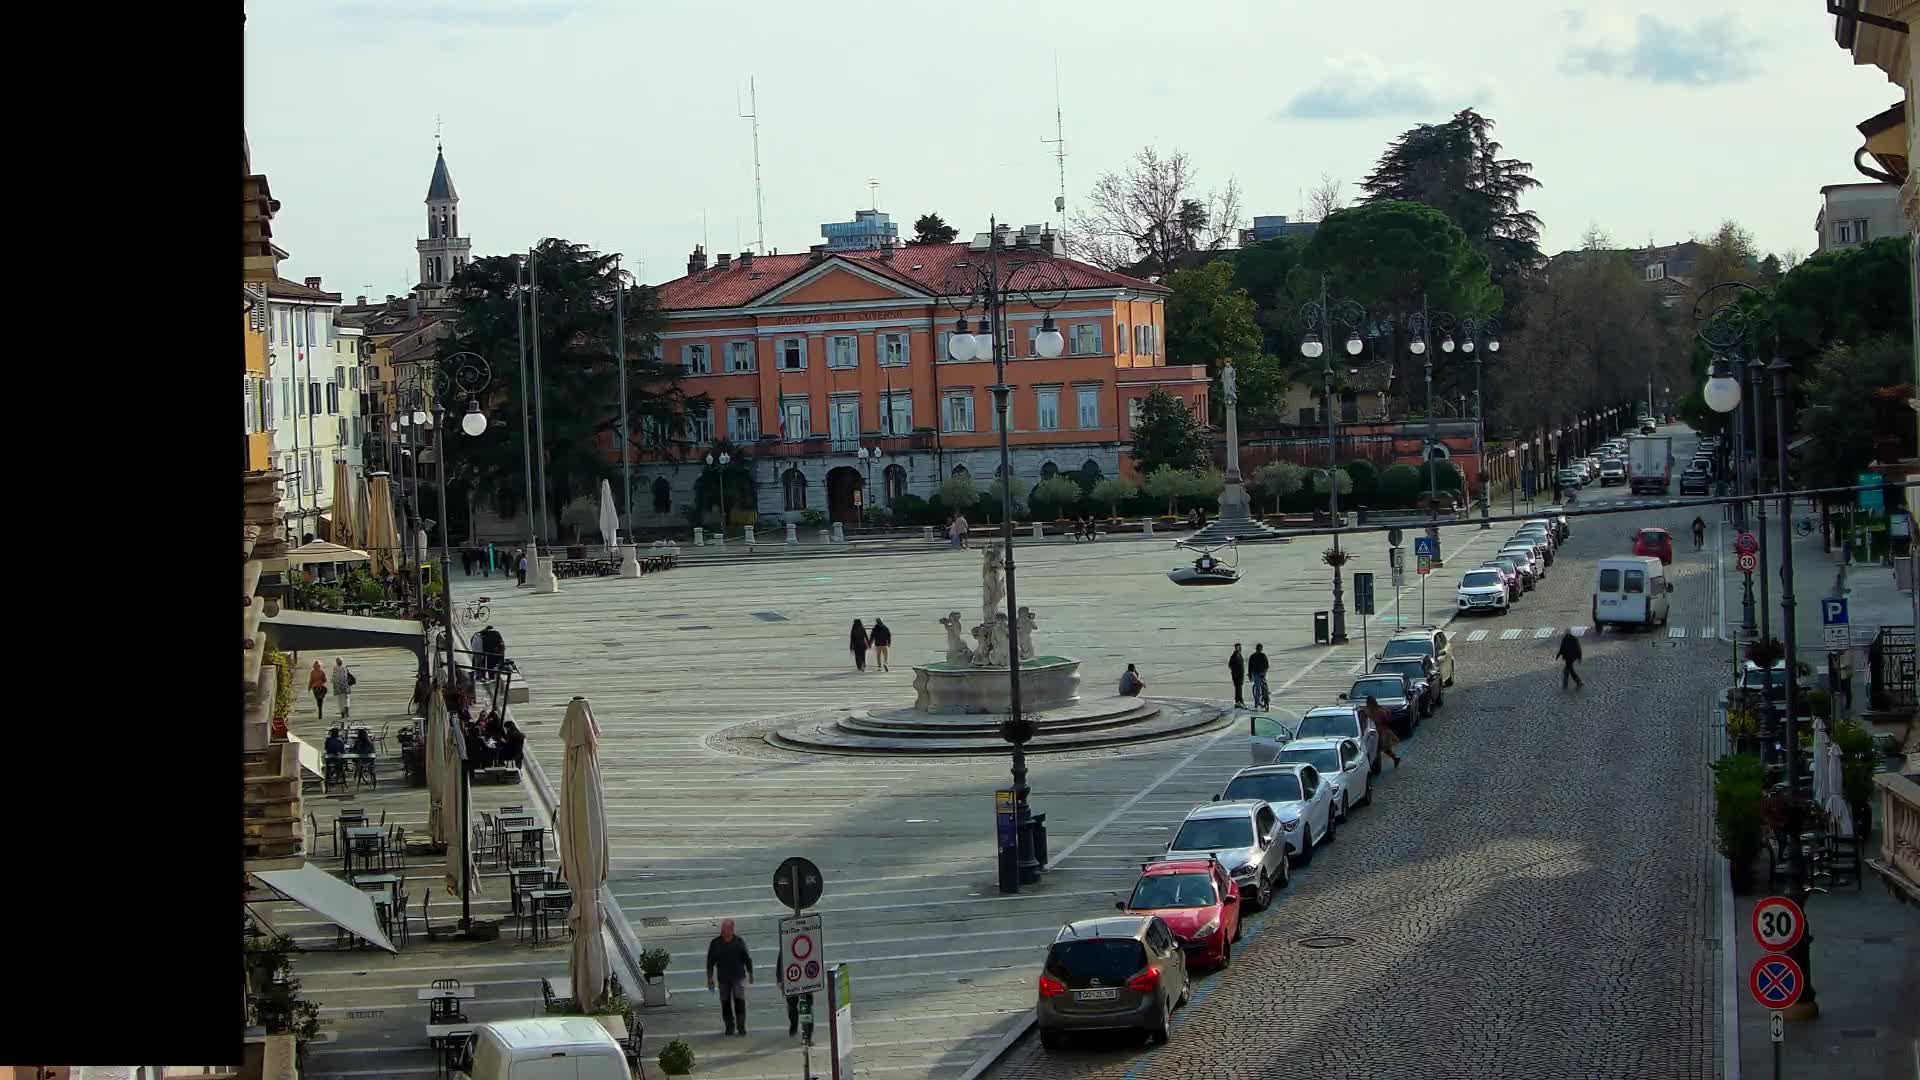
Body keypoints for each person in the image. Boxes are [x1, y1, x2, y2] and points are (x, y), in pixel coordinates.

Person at [705, 918, 753, 1036]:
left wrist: (750, 972)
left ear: (732, 929)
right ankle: (729, 1026)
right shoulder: (715, 943)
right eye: (723, 928)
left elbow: (746, 958)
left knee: (739, 1002)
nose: (724, 931)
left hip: (738, 977)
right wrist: (710, 977)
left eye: (727, 928)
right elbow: (710, 961)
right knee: (725, 1003)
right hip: (723, 979)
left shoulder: (738, 942)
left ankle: (741, 1027)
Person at [1366, 695, 1402, 768]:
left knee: (1380, 749)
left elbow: (1386, 721)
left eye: (1368, 703)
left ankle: (1376, 766)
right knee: (1382, 749)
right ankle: (1395, 758)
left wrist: (1378, 722)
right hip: (1377, 732)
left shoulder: (1380, 711)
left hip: (1382, 732)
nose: (1367, 704)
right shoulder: (1370, 711)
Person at [1248, 643, 1271, 710]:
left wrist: (1250, 675)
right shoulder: (1263, 655)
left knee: (1257, 689)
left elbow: (1250, 667)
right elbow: (1267, 665)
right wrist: (1264, 671)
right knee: (1264, 687)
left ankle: (1257, 704)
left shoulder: (1253, 656)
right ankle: (1266, 700)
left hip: (1256, 674)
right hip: (1261, 673)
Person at [1227, 643, 1246, 708]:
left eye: (1240, 647)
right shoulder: (1234, 656)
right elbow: (1230, 665)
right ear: (1236, 648)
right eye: (1238, 647)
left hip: (1240, 674)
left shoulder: (1239, 655)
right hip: (1237, 675)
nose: (1240, 648)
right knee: (1238, 688)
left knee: (1239, 688)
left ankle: (1238, 702)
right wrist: (1235, 671)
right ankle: (1239, 701)